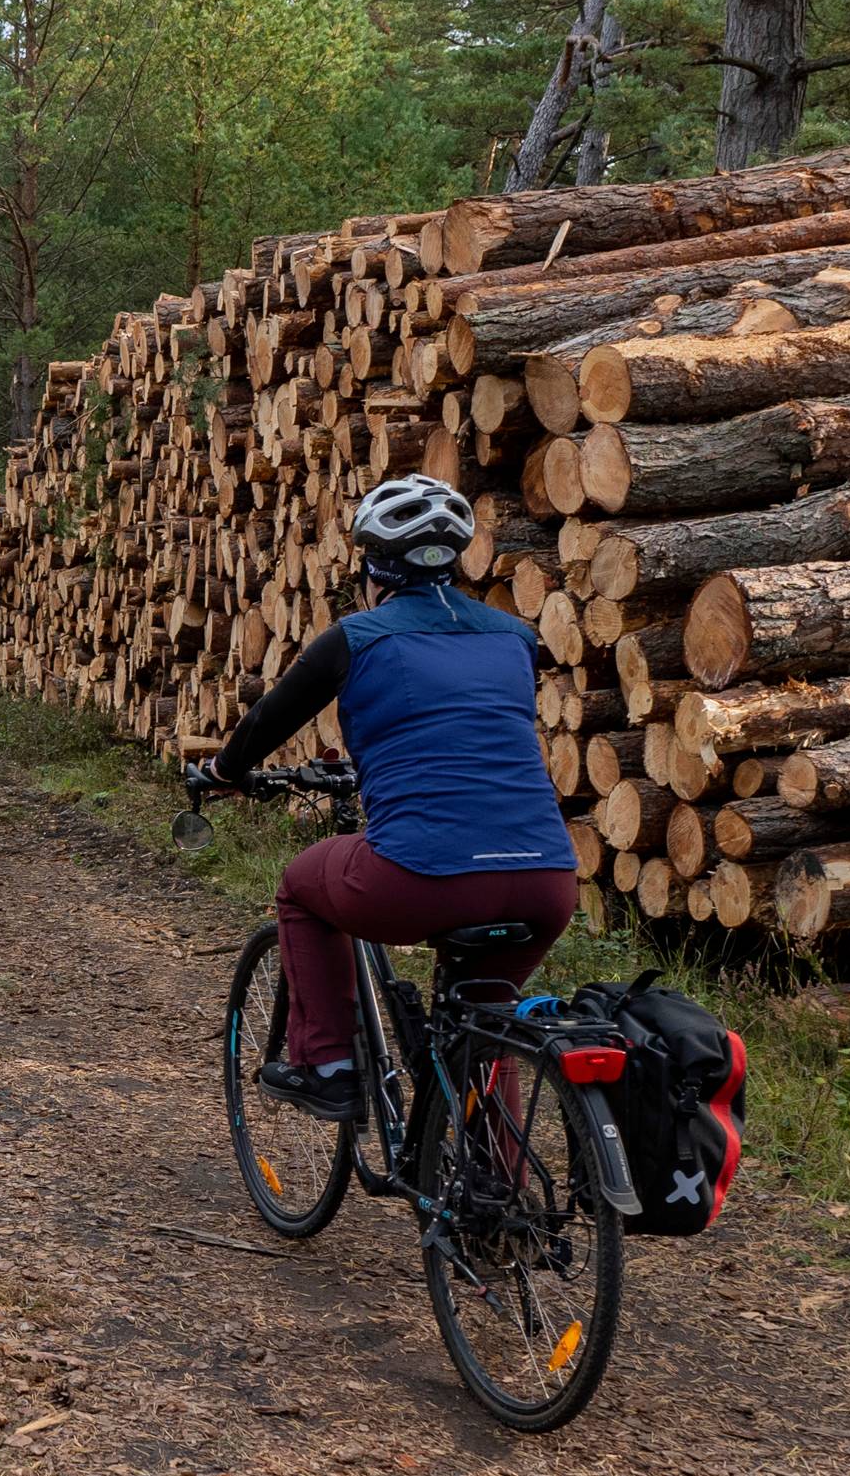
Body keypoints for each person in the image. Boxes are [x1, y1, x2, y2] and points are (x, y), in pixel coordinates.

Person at [188, 475, 579, 1121]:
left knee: (298, 886)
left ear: (375, 569)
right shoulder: (516, 638)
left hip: (420, 876)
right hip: (545, 879)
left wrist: (227, 770)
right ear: (455, 564)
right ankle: (493, 1198)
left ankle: (329, 1067)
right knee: (484, 1019)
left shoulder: (356, 638)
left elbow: (264, 725)